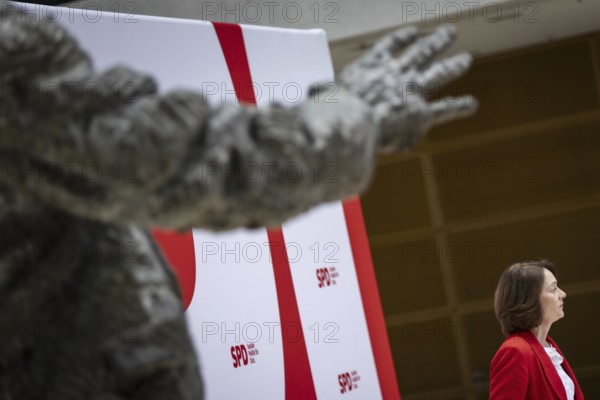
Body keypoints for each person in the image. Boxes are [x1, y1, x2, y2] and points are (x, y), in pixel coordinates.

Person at [490, 259, 584, 399]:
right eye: (553, 288)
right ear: (529, 299)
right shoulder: (515, 350)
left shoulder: (549, 347)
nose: (563, 293)